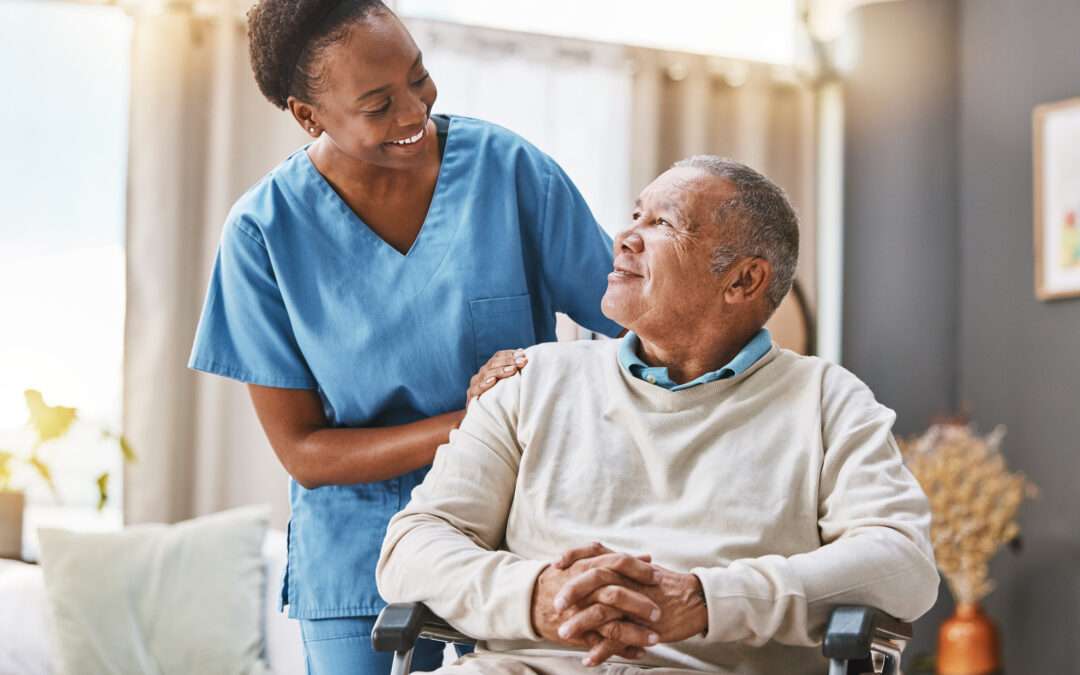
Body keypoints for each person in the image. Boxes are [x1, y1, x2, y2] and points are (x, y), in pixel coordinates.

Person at [377, 156, 940, 674]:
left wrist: (706, 600)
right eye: (634, 216)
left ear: (743, 280)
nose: (624, 238)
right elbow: (413, 544)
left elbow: (902, 562)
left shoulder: (826, 400)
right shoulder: (531, 381)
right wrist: (537, 594)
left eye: (663, 225)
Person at [187, 1, 622, 672]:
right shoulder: (262, 235)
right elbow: (304, 450)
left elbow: (640, 320)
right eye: (378, 104)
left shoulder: (509, 172)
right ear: (309, 115)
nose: (414, 112)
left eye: (418, 78)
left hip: (518, 548)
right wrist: (478, 419)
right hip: (359, 561)